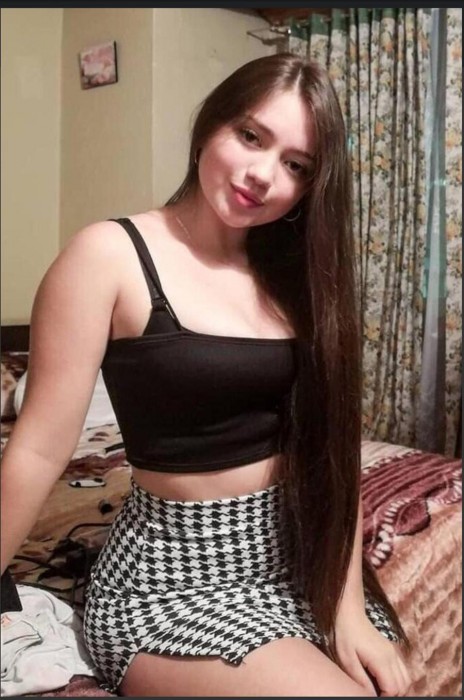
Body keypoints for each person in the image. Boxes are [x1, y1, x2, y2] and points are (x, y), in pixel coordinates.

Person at [1, 53, 411, 697]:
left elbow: (330, 449)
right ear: (209, 127)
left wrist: (348, 605)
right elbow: (38, 449)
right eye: (251, 136)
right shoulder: (109, 255)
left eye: (296, 165)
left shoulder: (294, 276)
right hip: (172, 581)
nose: (262, 174)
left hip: (300, 560)